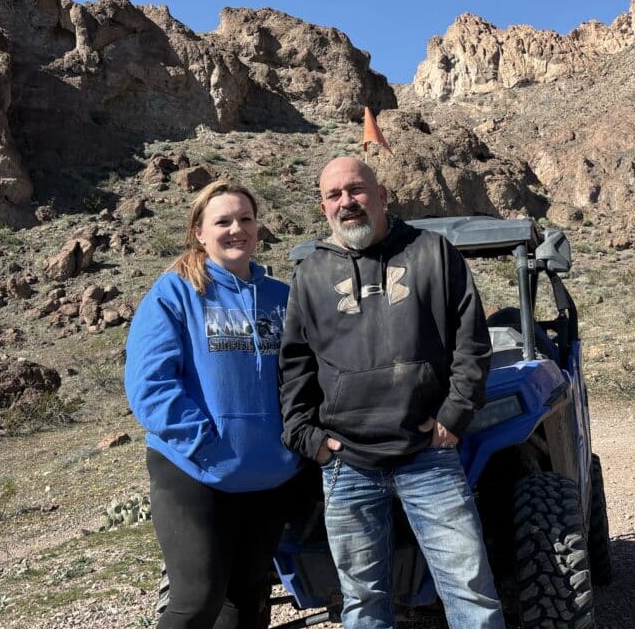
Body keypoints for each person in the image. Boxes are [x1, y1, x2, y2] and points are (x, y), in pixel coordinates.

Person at [279, 157, 505, 629]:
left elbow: (472, 343)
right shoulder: (310, 275)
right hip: (347, 464)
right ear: (323, 207)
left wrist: (454, 416)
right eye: (334, 195)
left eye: (356, 190)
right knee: (361, 602)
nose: (347, 202)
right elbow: (295, 366)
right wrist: (308, 438)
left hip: (428, 454)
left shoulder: (433, 253)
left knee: (469, 592)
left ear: (381, 195)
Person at [125, 180, 302, 629]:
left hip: (270, 474)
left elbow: (305, 377)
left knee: (246, 603)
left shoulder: (281, 297)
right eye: (223, 221)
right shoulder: (175, 293)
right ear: (199, 232)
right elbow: (150, 386)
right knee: (197, 600)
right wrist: (207, 444)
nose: (236, 229)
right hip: (195, 470)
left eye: (245, 219)